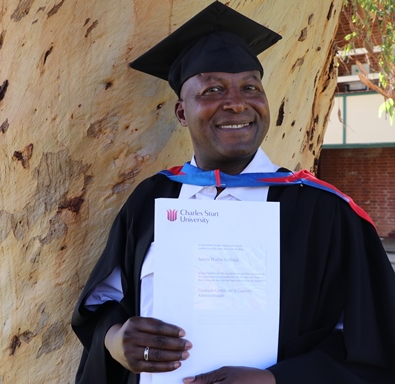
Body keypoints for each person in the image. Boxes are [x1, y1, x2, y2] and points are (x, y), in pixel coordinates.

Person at [71, 2, 395, 384]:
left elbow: (373, 344)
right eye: (212, 89)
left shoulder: (325, 212)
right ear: (181, 112)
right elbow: (106, 305)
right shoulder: (151, 200)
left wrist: (277, 380)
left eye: (250, 87)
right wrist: (113, 340)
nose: (237, 102)